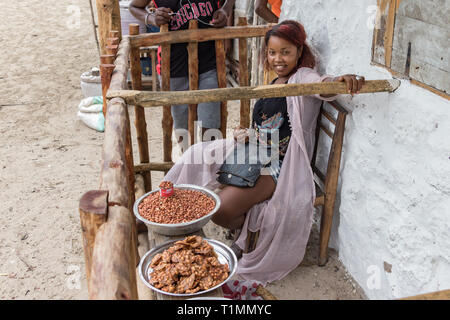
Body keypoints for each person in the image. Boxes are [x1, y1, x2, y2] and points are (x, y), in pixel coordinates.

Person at [163, 20, 365, 284]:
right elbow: (270, 124)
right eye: (272, 52)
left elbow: (321, 85)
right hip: (255, 150)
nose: (277, 58)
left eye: (285, 52)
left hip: (280, 165)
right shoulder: (277, 79)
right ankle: (168, 213)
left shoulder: (301, 77)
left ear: (299, 51)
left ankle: (245, 223)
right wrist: (247, 133)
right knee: (197, 153)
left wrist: (339, 81)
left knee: (221, 210)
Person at [129, 0, 236, 143]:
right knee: (183, 127)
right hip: (173, 69)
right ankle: (188, 161)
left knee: (210, 124)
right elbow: (134, 6)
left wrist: (225, 10)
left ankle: (209, 163)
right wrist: (152, 18)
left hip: (209, 64)